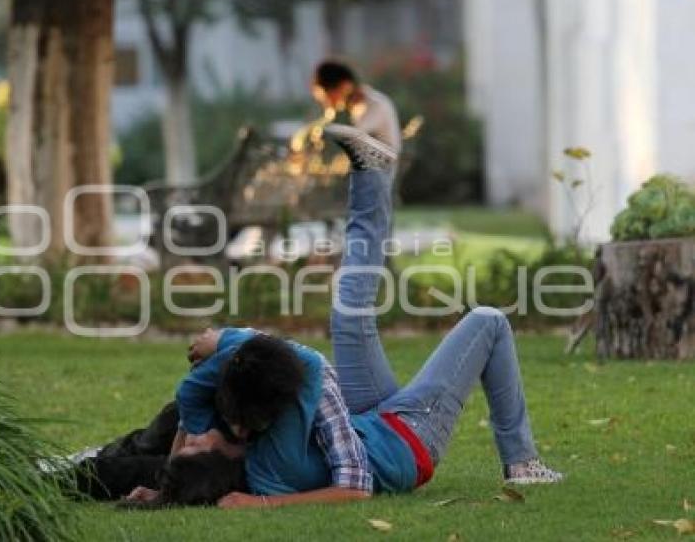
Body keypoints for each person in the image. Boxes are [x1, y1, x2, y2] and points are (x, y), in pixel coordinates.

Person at [126, 116, 561, 509]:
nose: (192, 434)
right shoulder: (275, 459)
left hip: (366, 421)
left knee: (349, 314)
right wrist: (227, 339)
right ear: (233, 444)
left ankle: (371, 174)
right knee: (487, 321)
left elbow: (191, 416)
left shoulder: (242, 438)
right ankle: (522, 461)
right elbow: (309, 368)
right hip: (411, 439)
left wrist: (166, 489)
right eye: (196, 444)